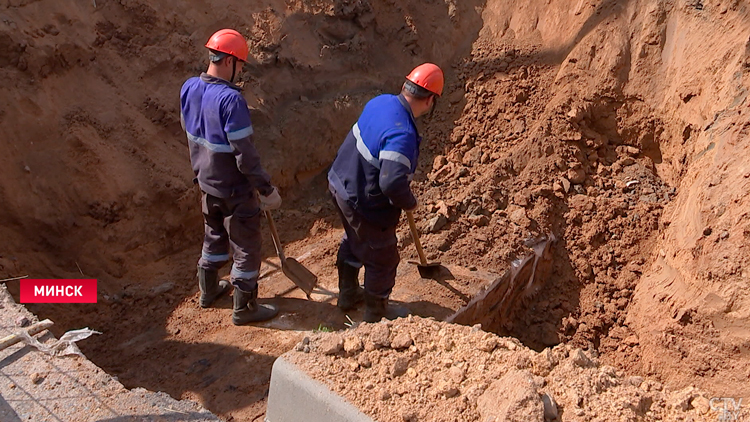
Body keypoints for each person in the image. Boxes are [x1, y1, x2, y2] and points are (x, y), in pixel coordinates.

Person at [328, 63, 444, 322]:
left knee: (355, 239)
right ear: (431, 100)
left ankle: (347, 295)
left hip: (339, 181)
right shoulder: (403, 133)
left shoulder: (381, 102)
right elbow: (391, 183)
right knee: (383, 255)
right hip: (361, 198)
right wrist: (409, 202)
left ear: (406, 86)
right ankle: (376, 314)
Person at [180, 29, 281, 325]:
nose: (241, 72)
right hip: (235, 190)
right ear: (229, 62)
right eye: (241, 65)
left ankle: (208, 291)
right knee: (246, 246)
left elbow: (195, 133)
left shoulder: (188, 88)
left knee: (213, 236)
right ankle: (244, 309)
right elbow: (245, 155)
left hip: (206, 184)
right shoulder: (230, 101)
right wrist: (265, 189)